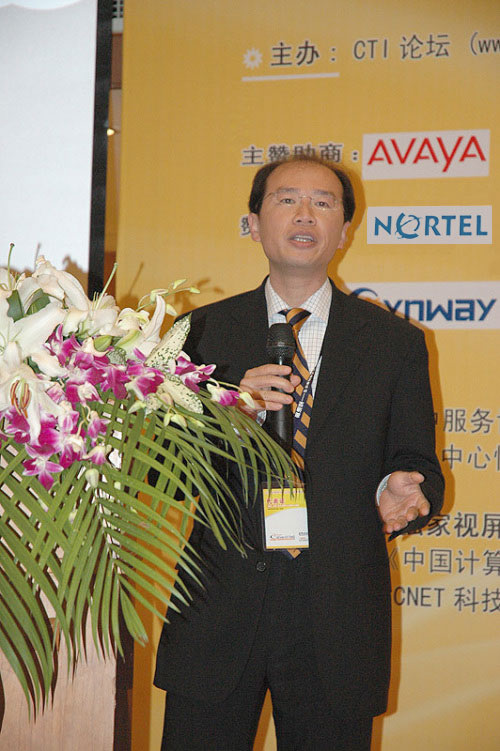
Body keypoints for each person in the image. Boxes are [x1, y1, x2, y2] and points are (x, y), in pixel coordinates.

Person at [153, 155, 444, 750]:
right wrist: (229, 417)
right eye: (286, 199)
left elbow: (418, 464)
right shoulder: (196, 334)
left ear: (344, 231)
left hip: (336, 614)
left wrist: (401, 486)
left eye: (323, 202)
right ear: (254, 224)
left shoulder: (394, 343)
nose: (305, 214)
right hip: (219, 607)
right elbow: (162, 471)